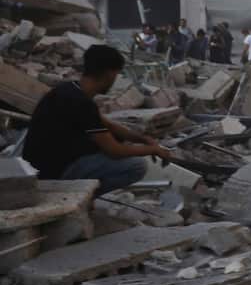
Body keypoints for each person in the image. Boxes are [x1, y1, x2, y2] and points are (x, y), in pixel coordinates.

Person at [23, 46, 171, 195]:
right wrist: (153, 149)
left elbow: (107, 124)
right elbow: (115, 151)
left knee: (115, 140)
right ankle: (80, 196)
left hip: (37, 166)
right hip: (51, 173)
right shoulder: (81, 103)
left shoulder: (69, 89)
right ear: (109, 74)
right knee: (136, 166)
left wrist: (143, 139)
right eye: (116, 74)